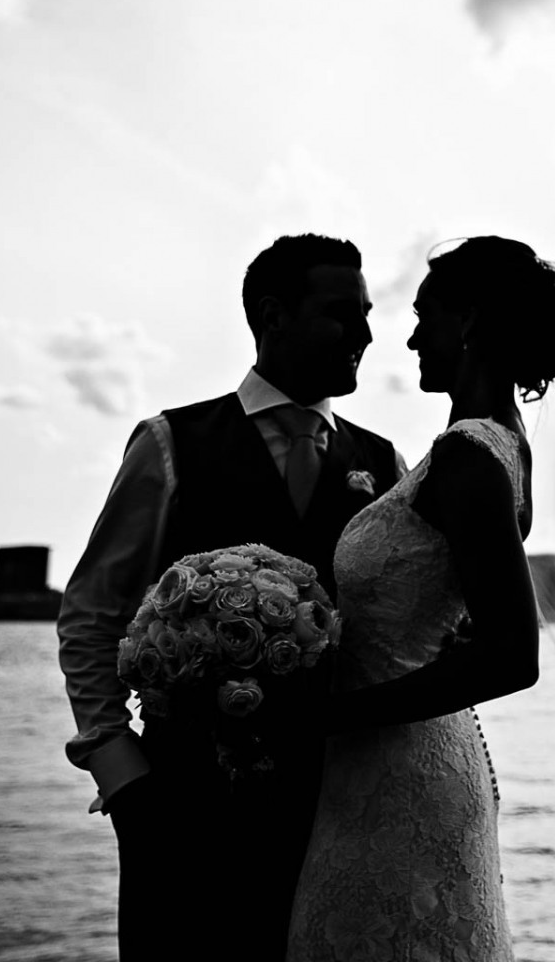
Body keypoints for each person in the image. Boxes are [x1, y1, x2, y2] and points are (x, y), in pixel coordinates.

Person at [57, 233, 406, 962]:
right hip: (183, 808)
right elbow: (92, 615)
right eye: (344, 313)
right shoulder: (170, 442)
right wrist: (123, 780)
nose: (369, 334)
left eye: (367, 313)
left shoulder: (385, 464)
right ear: (273, 315)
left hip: (339, 812)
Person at [287, 236, 555, 962]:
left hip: (395, 771)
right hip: (405, 757)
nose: (413, 335)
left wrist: (332, 715)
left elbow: (512, 656)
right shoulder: (502, 447)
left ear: (472, 320)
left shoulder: (470, 458)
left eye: (426, 314)